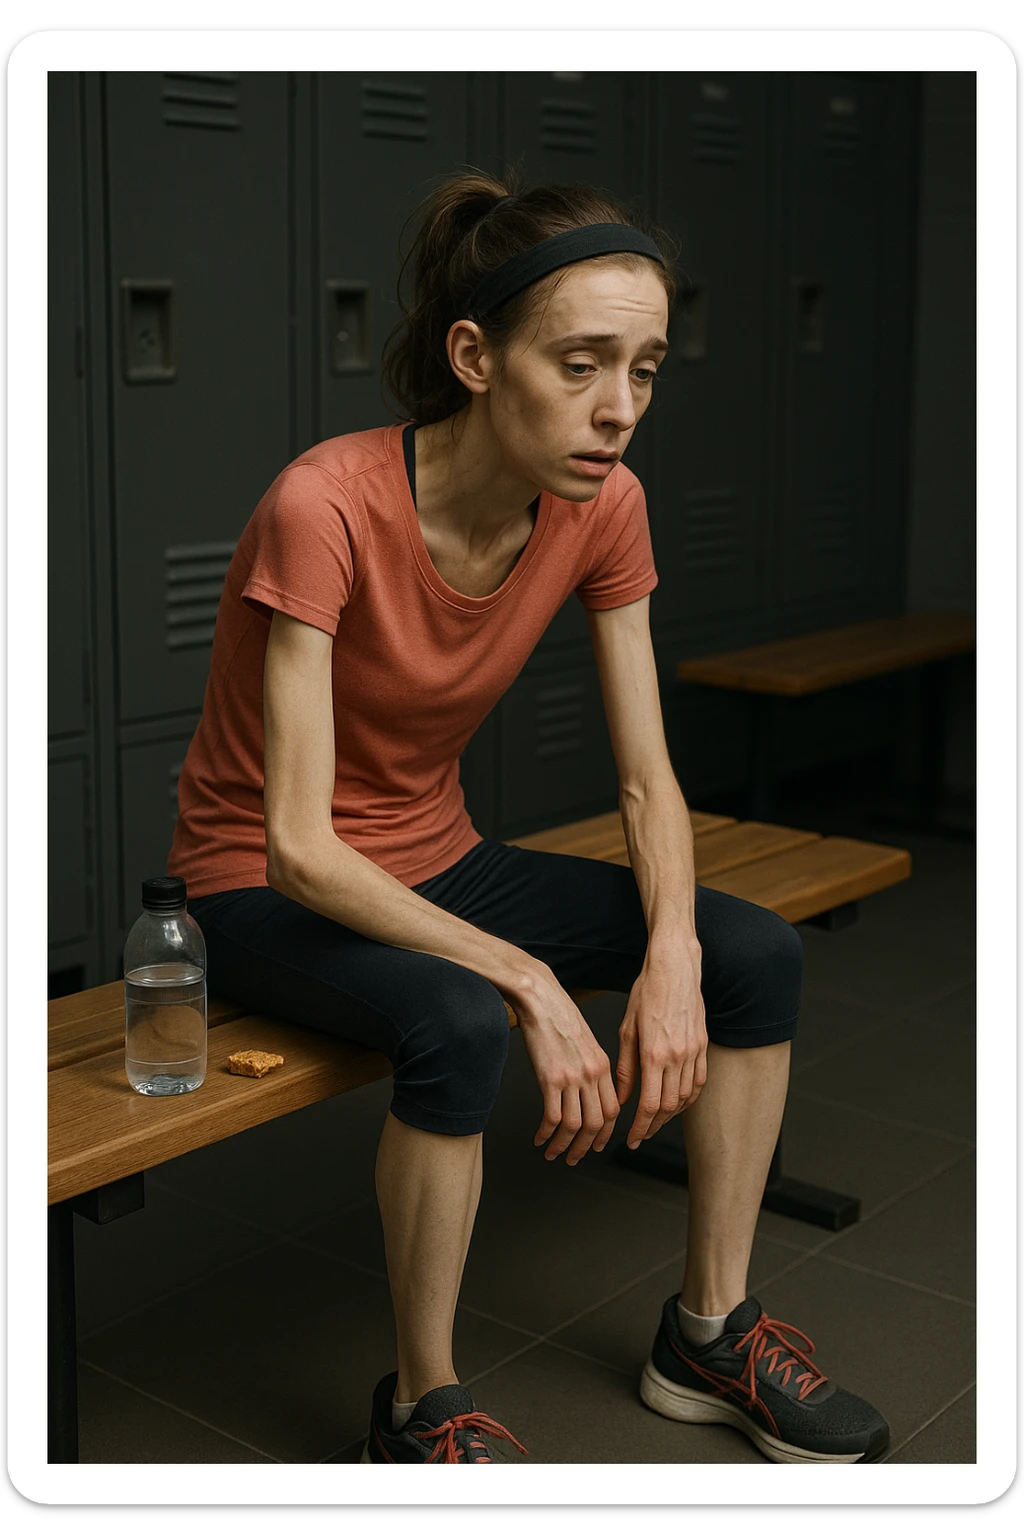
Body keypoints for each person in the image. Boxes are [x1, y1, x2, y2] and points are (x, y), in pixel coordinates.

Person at [168, 170, 889, 1466]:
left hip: (437, 861)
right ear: (476, 357)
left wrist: (669, 960)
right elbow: (297, 843)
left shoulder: (603, 503)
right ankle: (423, 1408)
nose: (619, 410)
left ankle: (709, 1336)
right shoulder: (323, 507)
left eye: (648, 369)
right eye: (581, 363)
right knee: (454, 1020)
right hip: (265, 888)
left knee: (752, 952)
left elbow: (644, 780)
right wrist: (532, 983)